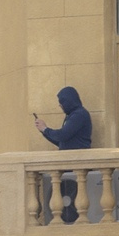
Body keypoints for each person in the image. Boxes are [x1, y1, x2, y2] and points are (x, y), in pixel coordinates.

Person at [33, 87, 92, 221]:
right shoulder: (72, 116)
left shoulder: (79, 115)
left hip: (76, 165)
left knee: (77, 201)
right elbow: (62, 142)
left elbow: (63, 135)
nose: (60, 105)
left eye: (62, 102)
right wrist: (44, 131)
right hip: (69, 167)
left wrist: (45, 129)